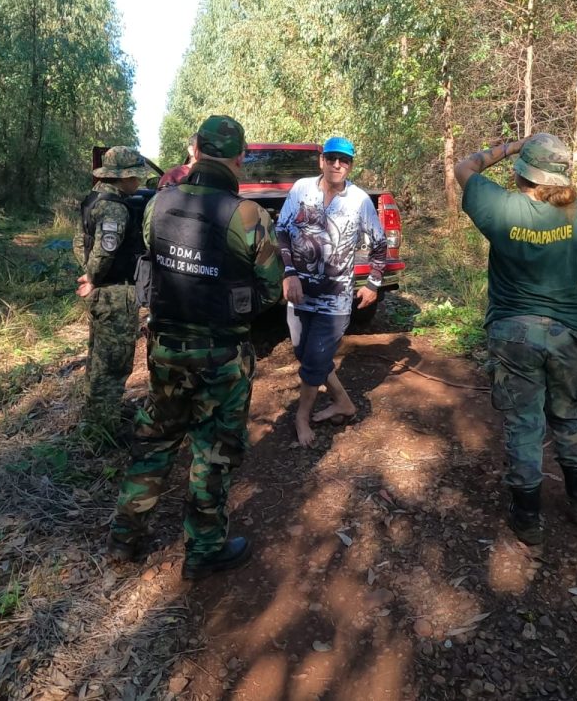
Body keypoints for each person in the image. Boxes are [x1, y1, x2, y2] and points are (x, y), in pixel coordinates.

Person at [108, 115, 283, 580]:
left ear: (195, 150)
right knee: (213, 450)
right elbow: (270, 293)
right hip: (222, 357)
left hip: (165, 349)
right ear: (240, 155)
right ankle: (204, 550)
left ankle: (124, 539)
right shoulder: (248, 217)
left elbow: (153, 260)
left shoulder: (156, 206)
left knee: (155, 440)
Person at [454, 134, 577, 545]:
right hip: (572, 332)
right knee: (568, 414)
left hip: (514, 330)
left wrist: (506, 147)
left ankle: (528, 518)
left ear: (523, 171)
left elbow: (463, 168)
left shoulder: (499, 205)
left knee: (524, 422)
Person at [276, 136, 387, 447]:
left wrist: (373, 284)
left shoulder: (360, 200)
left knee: (313, 361)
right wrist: (289, 273)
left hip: (336, 298)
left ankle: (301, 417)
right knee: (304, 353)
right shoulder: (301, 189)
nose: (338, 165)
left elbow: (379, 245)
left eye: (345, 160)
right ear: (321, 160)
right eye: (332, 158)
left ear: (351, 165)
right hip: (300, 293)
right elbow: (282, 228)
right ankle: (344, 403)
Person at [74, 146, 153, 429]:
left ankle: (95, 414)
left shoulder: (93, 199)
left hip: (103, 290)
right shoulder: (115, 208)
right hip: (115, 292)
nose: (139, 183)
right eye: (136, 177)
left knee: (98, 358)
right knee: (114, 363)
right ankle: (103, 428)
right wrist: (94, 277)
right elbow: (105, 251)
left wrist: (88, 275)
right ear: (123, 177)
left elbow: (80, 241)